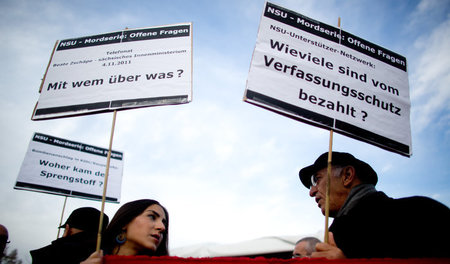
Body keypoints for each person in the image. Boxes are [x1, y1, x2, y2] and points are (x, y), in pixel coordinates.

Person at [298, 151, 450, 259]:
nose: (311, 192)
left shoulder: (422, 213)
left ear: (347, 176)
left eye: (317, 179)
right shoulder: (335, 235)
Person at [82, 199, 169, 263]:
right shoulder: (79, 255)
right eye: (152, 217)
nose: (162, 227)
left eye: (164, 223)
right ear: (125, 222)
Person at [30, 207, 109, 264]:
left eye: (65, 229)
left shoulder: (52, 254)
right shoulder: (109, 253)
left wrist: (59, 244)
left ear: (68, 229)